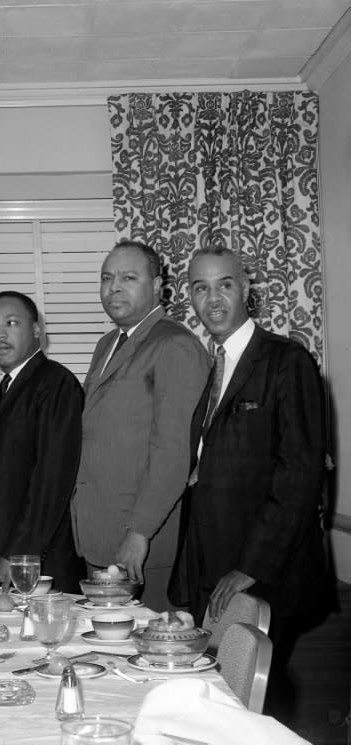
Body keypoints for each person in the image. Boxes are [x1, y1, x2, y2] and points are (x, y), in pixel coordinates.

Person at [169, 247, 326, 714]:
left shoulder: (286, 361)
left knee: (258, 701)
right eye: (200, 287)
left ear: (247, 290)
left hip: (265, 573)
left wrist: (251, 567)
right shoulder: (209, 366)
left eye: (225, 285)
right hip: (212, 563)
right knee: (218, 700)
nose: (212, 299)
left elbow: (299, 472)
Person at [71, 240, 210, 610]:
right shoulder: (107, 344)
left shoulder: (175, 345)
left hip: (142, 542)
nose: (113, 287)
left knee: (152, 655)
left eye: (128, 277)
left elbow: (173, 451)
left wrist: (140, 532)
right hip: (100, 532)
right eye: (106, 278)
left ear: (158, 287)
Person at [0, 291, 84, 594]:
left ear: (37, 330)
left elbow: (51, 481)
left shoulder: (56, 384)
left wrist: (16, 557)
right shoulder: (1, 393)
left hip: (37, 564)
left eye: (11, 323)